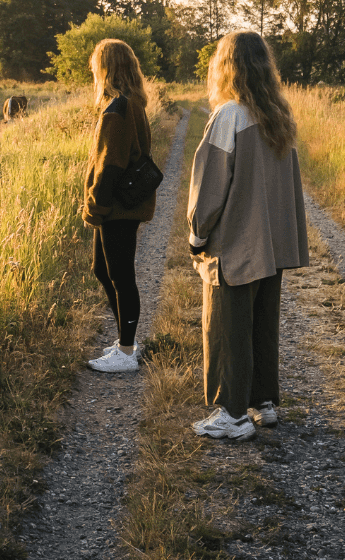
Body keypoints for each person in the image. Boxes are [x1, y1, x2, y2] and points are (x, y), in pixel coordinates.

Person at [186, 30, 307, 439]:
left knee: (228, 327)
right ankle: (262, 402)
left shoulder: (230, 115)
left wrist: (197, 235)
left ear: (226, 67)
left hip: (236, 246)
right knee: (261, 324)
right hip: (270, 246)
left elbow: (210, 186)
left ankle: (233, 415)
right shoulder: (277, 115)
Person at [83, 38, 158, 373]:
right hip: (123, 204)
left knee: (121, 276)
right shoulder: (132, 104)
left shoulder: (117, 109)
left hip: (117, 206)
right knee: (103, 270)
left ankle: (126, 352)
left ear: (106, 69)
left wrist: (95, 207)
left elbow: (110, 165)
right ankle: (126, 341)